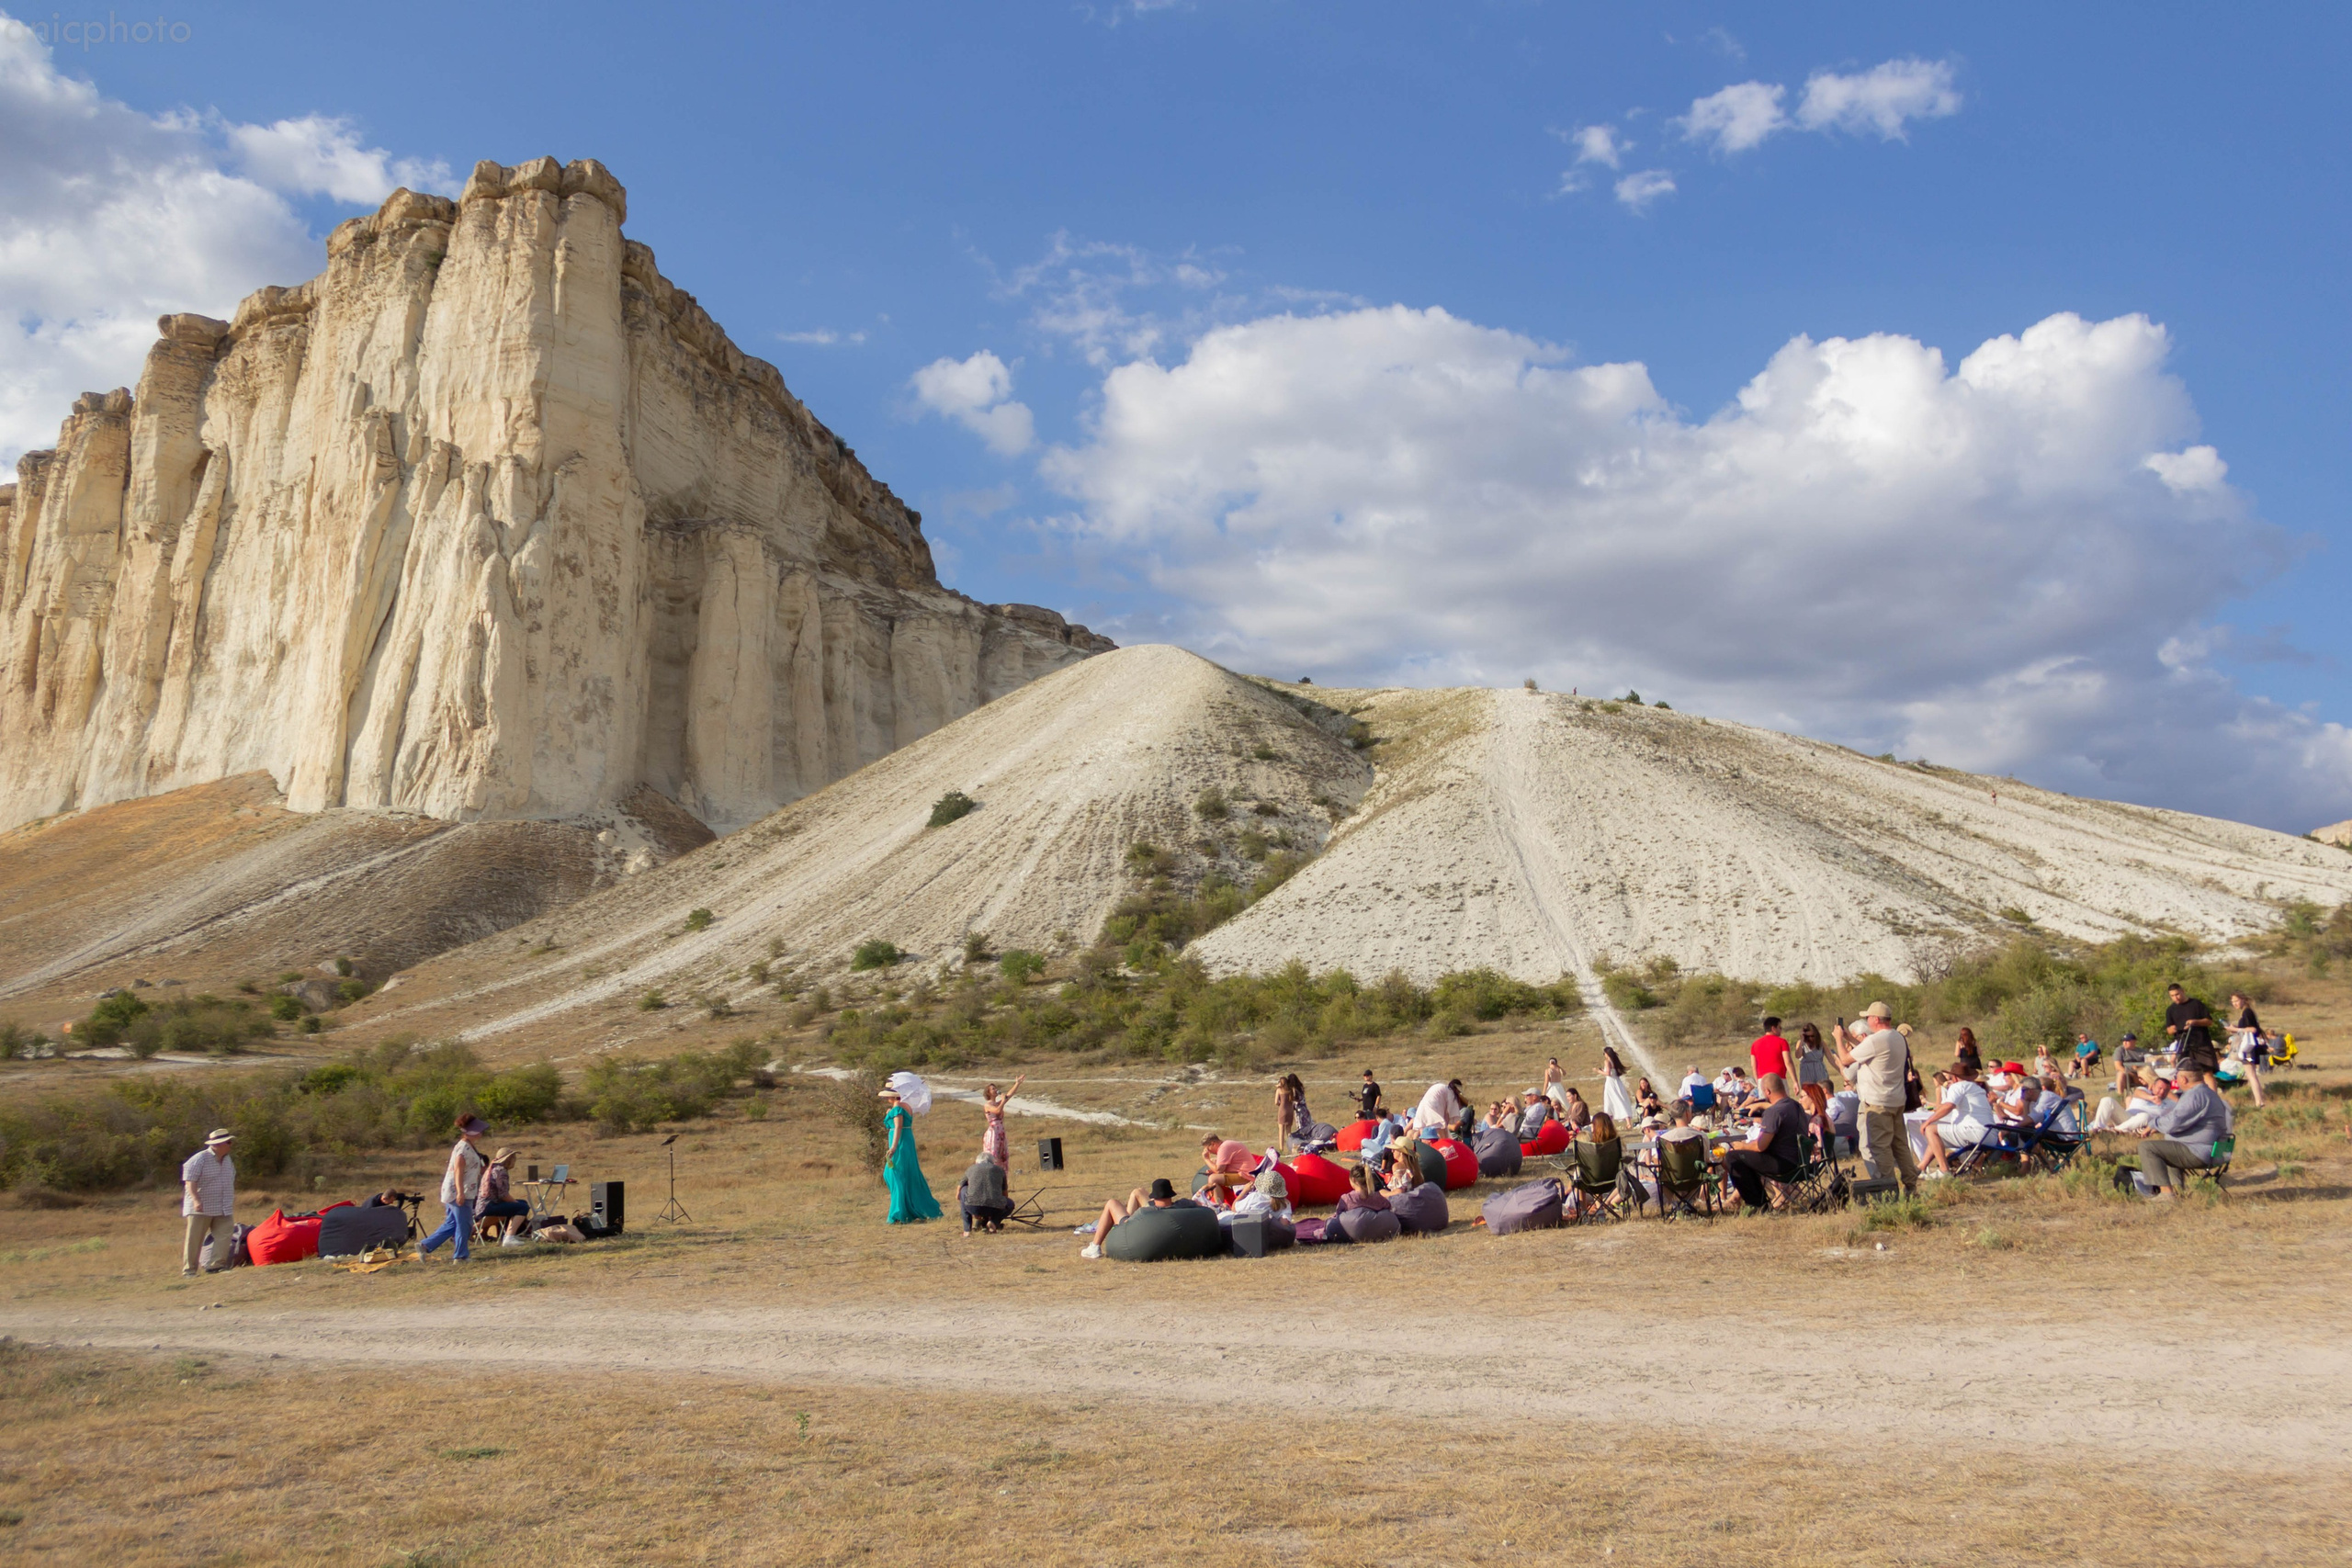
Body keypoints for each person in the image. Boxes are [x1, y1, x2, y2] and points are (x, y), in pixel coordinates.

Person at [1838, 1004, 1918, 1194]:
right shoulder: (1897, 1037)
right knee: (1900, 1146)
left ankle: (1888, 1189)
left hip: (1878, 1103)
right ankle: (1911, 1186)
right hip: (1896, 1100)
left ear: (1875, 1019)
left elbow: (1845, 1060)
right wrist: (1848, 1037)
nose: (1867, 1021)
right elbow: (1870, 1049)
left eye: (1868, 1017)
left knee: (1880, 1147)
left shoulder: (1876, 1040)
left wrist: (1837, 1040)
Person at [2135, 1066, 2233, 1198]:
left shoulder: (2195, 1096)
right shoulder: (2209, 1093)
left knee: (2147, 1147)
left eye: (2177, 1077)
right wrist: (2160, 1127)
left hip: (2201, 1152)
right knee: (2168, 1146)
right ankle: (2178, 1190)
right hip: (2217, 1151)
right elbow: (2182, 1122)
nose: (2176, 1080)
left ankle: (2166, 1194)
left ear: (2183, 1079)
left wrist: (2154, 1124)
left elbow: (2175, 1121)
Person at [1721, 1074, 1804, 1211]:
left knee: (1733, 1157)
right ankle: (1755, 1200)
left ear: (1767, 1092)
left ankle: (1758, 1204)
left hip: (1782, 1164)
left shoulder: (1774, 1112)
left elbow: (1760, 1146)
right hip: (1799, 1161)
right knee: (1747, 1158)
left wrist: (1742, 1146)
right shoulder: (1796, 1106)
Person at [419, 1113, 491, 1263]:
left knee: (452, 1223)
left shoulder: (469, 1146)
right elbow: (458, 1170)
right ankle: (460, 1256)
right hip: (459, 1192)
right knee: (464, 1224)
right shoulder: (463, 1148)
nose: (481, 1133)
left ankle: (425, 1245)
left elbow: (470, 1168)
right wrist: (460, 1193)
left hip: (460, 1190)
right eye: (478, 1130)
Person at [1080, 1177, 1200, 1259]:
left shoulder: (1145, 1212)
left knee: (1112, 1203)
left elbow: (1131, 1222)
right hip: (1165, 1214)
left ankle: (1095, 1247)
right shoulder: (1183, 1204)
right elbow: (1200, 1207)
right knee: (1138, 1192)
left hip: (1133, 1230)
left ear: (1155, 1197)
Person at [880, 1076, 943, 1224]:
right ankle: (907, 1208)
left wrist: (894, 1146)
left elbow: (897, 1128)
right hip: (907, 1140)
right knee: (905, 1174)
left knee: (895, 1174)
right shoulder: (905, 1106)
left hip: (900, 1141)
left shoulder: (898, 1108)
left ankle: (899, 1212)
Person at [1917, 1061, 1995, 1178]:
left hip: (1975, 1132)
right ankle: (1920, 1168)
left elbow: (1949, 1106)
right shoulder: (1977, 1088)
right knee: (1937, 1137)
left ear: (1954, 1077)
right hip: (1990, 1134)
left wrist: (1928, 1122)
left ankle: (1944, 1170)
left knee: (1930, 1130)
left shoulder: (1958, 1086)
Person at [180, 1128, 237, 1276]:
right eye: (228, 1142)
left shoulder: (228, 1160)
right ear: (218, 1144)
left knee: (224, 1234)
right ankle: (189, 1270)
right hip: (201, 1207)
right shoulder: (199, 1159)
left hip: (223, 1206)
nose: (231, 1145)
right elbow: (189, 1182)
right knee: (194, 1239)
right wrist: (196, 1200)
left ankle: (216, 1266)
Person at [476, 1148, 533, 1245]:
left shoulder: (494, 1168)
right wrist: (515, 1203)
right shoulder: (501, 1171)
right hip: (489, 1205)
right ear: (507, 1159)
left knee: (522, 1203)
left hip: (484, 1205)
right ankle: (509, 1237)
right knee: (523, 1207)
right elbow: (503, 1195)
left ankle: (508, 1234)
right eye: (513, 1158)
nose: (515, 1160)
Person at [2090, 1070, 2168, 1134]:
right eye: (2160, 1088)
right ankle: (2097, 1129)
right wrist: (2151, 1098)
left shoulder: (2169, 1104)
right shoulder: (2144, 1090)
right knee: (2107, 1100)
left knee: (2145, 1116)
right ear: (2153, 1086)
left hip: (2141, 1123)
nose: (2162, 1092)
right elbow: (2137, 1092)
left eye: (2165, 1090)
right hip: (2127, 1117)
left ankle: (2114, 1131)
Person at [2165, 984, 2219, 1076]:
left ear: (2183, 991)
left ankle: (2211, 1090)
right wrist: (2172, 1029)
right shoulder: (2170, 1010)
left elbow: (2209, 1022)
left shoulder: (2196, 1004)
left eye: (2177, 994)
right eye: (2172, 996)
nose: (2175, 998)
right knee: (2187, 1074)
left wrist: (2195, 1022)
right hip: (2184, 1046)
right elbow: (2168, 1030)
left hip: (2201, 1043)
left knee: (2207, 1073)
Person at [2226, 992, 2267, 1107]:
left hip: (2248, 1049)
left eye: (2237, 1001)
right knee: (2250, 1073)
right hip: (2248, 1048)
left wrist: (2236, 1029)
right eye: (2233, 1002)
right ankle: (2258, 1100)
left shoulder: (2247, 1012)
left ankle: (2259, 1101)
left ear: (2243, 1000)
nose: (2235, 1004)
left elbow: (2253, 1029)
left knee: (2251, 1074)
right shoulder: (2245, 1012)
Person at [980, 1076, 1025, 1169]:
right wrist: (1003, 1101)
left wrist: (1017, 1083)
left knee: (1002, 1155)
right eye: (993, 1089)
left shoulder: (998, 1103)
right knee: (994, 1154)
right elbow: (997, 1111)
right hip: (994, 1131)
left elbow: (1009, 1095)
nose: (995, 1090)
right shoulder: (988, 1104)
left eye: (995, 1088)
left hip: (1000, 1130)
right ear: (988, 1092)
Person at [958, 1156, 1012, 1233]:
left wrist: (962, 1200)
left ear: (977, 1162)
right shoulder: (1000, 1170)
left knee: (963, 1190)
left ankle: (967, 1230)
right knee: (1010, 1204)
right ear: (992, 1162)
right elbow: (1005, 1194)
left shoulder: (971, 1169)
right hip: (994, 1208)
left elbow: (960, 1187)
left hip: (972, 1206)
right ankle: (994, 1222)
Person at [1600, 1046, 1636, 1122]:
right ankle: (1628, 1121)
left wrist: (1598, 1071)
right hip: (1617, 1082)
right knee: (1620, 1099)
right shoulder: (1614, 1061)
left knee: (1609, 1101)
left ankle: (1609, 1120)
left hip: (1610, 1083)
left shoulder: (1607, 1061)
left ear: (1607, 1053)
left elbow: (1608, 1073)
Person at [1750, 1018, 1793, 1082]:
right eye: (1779, 1027)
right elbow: (1788, 1062)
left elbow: (1753, 1066)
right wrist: (1795, 1081)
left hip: (1762, 1080)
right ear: (1773, 1028)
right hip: (1778, 1078)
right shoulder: (1782, 1042)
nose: (1781, 1029)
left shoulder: (1755, 1044)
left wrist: (1757, 1081)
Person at [1792, 1023, 1831, 1093]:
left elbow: (1831, 1059)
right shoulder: (1801, 1043)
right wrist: (1802, 1040)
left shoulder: (1821, 1043)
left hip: (1819, 1070)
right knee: (1808, 1093)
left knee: (1822, 1091)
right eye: (1808, 1036)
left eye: (1812, 1036)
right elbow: (1798, 1056)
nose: (1810, 1038)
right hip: (1806, 1071)